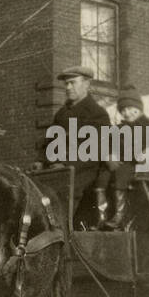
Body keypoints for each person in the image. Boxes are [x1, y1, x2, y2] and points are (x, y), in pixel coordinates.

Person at [43, 65, 113, 229]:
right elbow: (50, 142)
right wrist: (42, 160)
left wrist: (65, 165)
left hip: (85, 169)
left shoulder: (97, 113)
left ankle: (63, 233)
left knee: (66, 191)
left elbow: (94, 149)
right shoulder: (61, 114)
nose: (68, 87)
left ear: (86, 84)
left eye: (72, 83)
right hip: (59, 168)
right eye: (66, 84)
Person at [106, 85, 149, 231]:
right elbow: (108, 145)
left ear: (139, 108)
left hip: (142, 167)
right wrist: (110, 156)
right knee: (108, 175)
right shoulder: (118, 129)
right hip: (122, 164)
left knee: (123, 174)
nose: (127, 113)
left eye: (131, 108)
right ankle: (113, 214)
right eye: (123, 110)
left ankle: (121, 215)